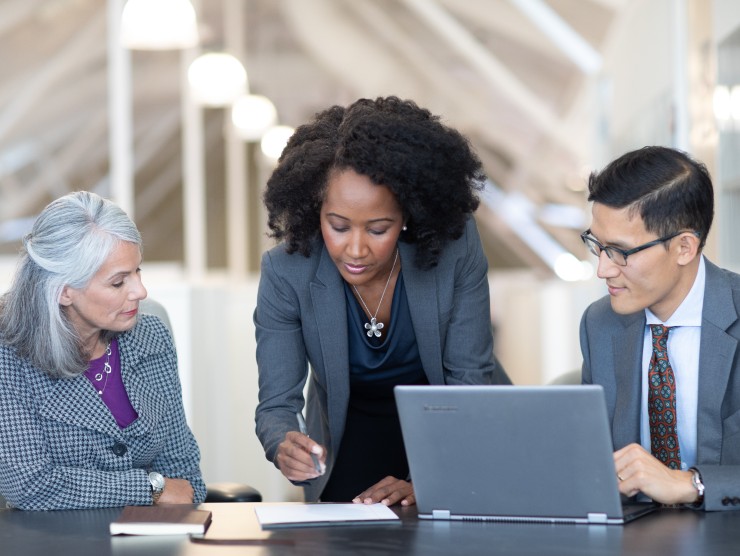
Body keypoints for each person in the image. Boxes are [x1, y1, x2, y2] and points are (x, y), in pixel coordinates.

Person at [254, 96, 510, 506]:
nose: (355, 249)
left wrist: (430, 478)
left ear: (408, 215)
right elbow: (276, 403)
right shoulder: (288, 271)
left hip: (457, 431)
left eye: (378, 229)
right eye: (337, 226)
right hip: (347, 440)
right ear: (314, 211)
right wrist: (284, 443)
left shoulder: (453, 248)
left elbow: (470, 379)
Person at [0, 191, 206, 510]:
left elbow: (184, 476)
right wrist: (149, 487)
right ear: (64, 291)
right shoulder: (8, 353)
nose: (140, 291)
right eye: (118, 282)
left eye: (138, 271)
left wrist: (167, 490)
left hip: (149, 539)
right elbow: (30, 485)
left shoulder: (151, 337)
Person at [580, 145, 740, 511]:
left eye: (620, 251)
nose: (603, 269)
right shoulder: (599, 323)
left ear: (684, 247)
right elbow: (591, 454)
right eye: (597, 245)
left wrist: (692, 484)